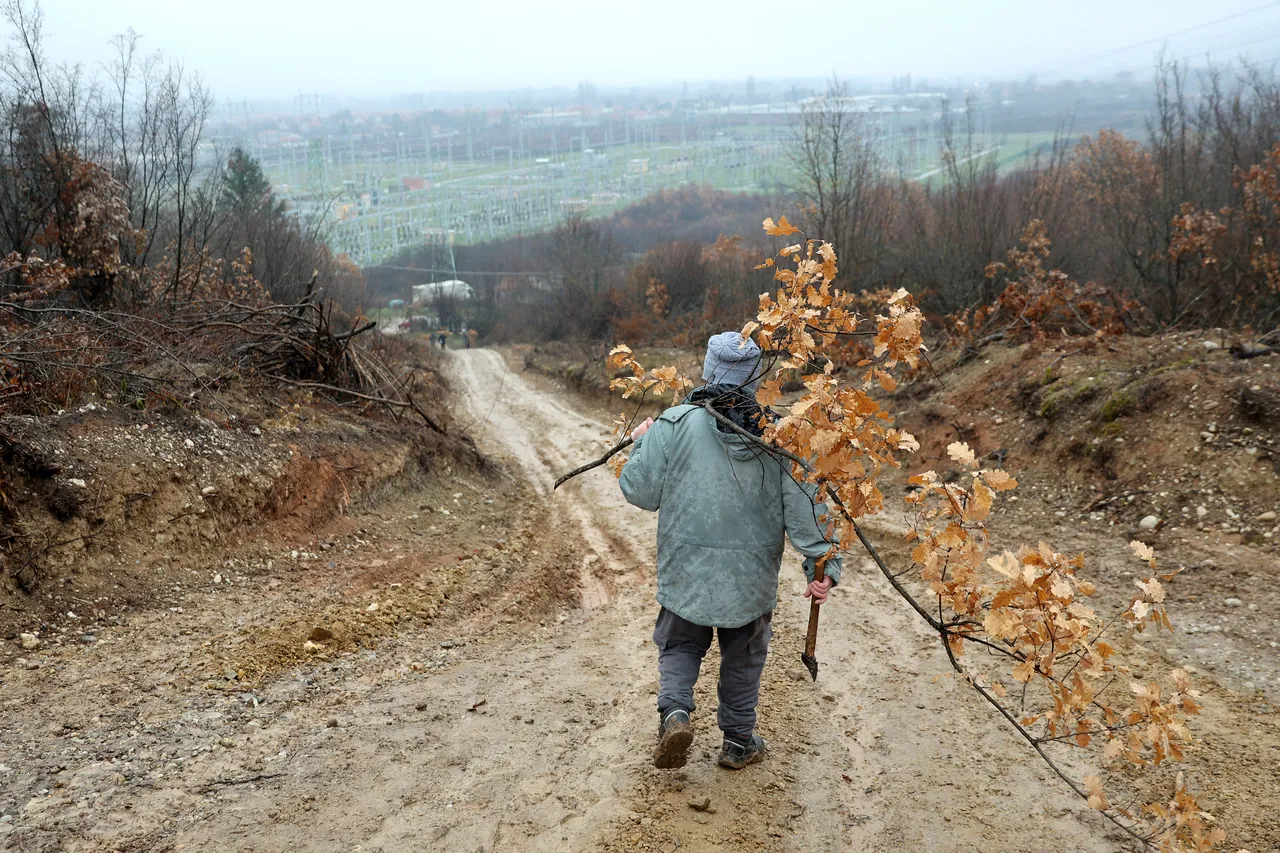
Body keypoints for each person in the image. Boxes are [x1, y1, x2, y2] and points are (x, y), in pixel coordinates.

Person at [618, 331, 841, 771]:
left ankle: (676, 714)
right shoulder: (781, 437)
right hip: (750, 577)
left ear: (707, 370)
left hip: (685, 569)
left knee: (680, 644)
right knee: (745, 656)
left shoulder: (674, 423)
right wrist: (822, 563)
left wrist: (642, 440)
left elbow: (639, 492)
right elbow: (804, 507)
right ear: (755, 379)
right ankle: (738, 742)